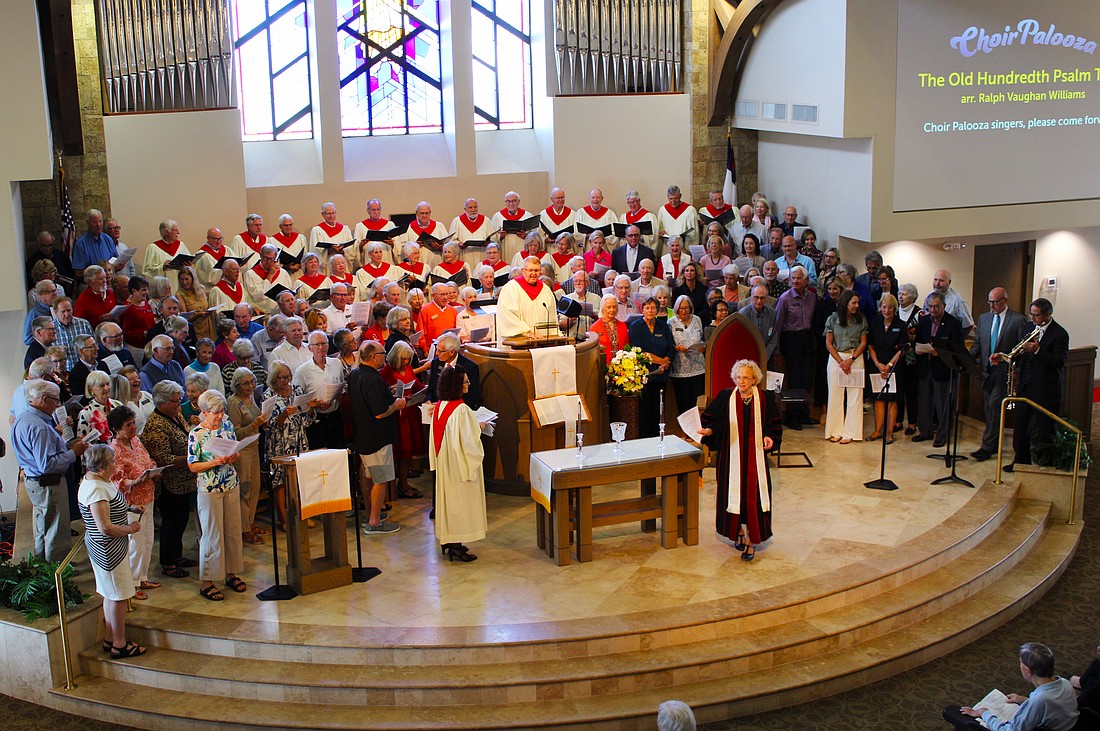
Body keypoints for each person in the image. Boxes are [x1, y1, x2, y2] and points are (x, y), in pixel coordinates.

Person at [699, 360, 781, 561]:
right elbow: (714, 422)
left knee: (756, 498)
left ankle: (752, 540)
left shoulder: (765, 398)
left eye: (745, 377)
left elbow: (773, 425)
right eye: (738, 377)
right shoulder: (726, 396)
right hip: (730, 458)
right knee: (731, 495)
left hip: (755, 459)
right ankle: (738, 532)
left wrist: (769, 437)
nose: (741, 381)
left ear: (754, 379)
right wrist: (709, 431)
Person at [78, 444, 146, 658]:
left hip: (111, 547)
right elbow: (105, 527)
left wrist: (129, 508)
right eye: (113, 463)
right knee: (118, 595)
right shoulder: (96, 490)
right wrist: (131, 528)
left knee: (111, 594)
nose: (116, 465)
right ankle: (119, 643)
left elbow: (111, 505)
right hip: (108, 550)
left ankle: (110, 638)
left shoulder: (98, 481)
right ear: (101, 467)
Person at [13, 379, 88, 561]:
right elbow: (47, 465)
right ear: (44, 399)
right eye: (56, 400)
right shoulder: (39, 427)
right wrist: (73, 453)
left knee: (43, 527)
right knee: (56, 530)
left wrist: (66, 446)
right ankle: (58, 571)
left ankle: (43, 567)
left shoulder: (24, 418)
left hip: (36, 482)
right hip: (49, 484)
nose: (58, 405)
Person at [187, 389, 246, 601]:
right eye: (215, 412)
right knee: (212, 534)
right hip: (210, 488)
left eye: (222, 411)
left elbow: (235, 450)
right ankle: (208, 581)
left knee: (232, 530)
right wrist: (213, 462)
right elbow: (192, 466)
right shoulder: (196, 434)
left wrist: (234, 455)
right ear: (204, 412)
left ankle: (231, 572)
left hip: (230, 483)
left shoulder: (227, 426)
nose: (220, 416)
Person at [942, 642, 1077, 731]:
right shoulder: (1065, 683)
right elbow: (1051, 706)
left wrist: (983, 713)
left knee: (953, 714)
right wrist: (1022, 700)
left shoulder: (1040, 700)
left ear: (1028, 671)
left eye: (1020, 663)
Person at [429, 365, 488, 562]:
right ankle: (455, 546)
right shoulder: (461, 410)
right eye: (465, 382)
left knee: (449, 502)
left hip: (446, 462)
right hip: (459, 465)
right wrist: (479, 427)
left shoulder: (440, 405)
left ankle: (449, 539)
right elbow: (468, 442)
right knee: (460, 503)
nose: (468, 384)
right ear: (456, 385)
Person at [348, 341, 406, 535]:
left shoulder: (355, 374)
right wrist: (396, 405)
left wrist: (386, 393)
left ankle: (370, 514)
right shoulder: (373, 379)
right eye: (383, 353)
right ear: (373, 357)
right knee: (380, 479)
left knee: (367, 476)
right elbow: (380, 413)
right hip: (377, 438)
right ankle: (374, 522)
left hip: (362, 436)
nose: (385, 357)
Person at [1005, 298, 1070, 472]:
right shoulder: (1029, 327)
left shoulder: (1059, 334)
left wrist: (1038, 351)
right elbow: (1021, 352)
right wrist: (1008, 356)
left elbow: (1059, 362)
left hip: (1045, 391)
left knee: (1044, 431)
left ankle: (1044, 467)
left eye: (1036, 315)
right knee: (1020, 429)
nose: (1032, 318)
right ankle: (1020, 462)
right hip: (1025, 388)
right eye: (1031, 314)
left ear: (1048, 315)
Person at [142, 380, 197, 579]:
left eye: (179, 400)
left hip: (183, 480)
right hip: (169, 483)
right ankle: (168, 562)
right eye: (174, 401)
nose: (178, 404)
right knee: (171, 522)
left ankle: (177, 555)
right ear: (160, 402)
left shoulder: (175, 415)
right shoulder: (156, 425)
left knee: (181, 519)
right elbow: (163, 459)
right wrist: (192, 458)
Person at [968, 287, 1029, 462]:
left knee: (995, 406)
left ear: (1005, 301)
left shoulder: (1017, 320)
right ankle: (993, 443)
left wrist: (1013, 368)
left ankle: (987, 446)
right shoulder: (984, 318)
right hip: (986, 372)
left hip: (1004, 372)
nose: (992, 306)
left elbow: (1021, 349)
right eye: (990, 302)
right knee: (989, 408)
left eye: (995, 302)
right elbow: (978, 345)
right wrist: (966, 357)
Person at [106, 406, 158, 600]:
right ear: (116, 429)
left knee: (148, 540)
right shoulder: (114, 450)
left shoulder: (136, 441)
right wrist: (134, 482)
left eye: (133, 423)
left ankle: (142, 577)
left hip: (148, 496)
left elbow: (148, 460)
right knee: (136, 543)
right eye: (128, 425)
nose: (133, 427)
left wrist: (153, 468)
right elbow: (114, 480)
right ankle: (132, 583)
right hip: (131, 502)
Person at [262, 362, 317, 531]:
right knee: (280, 481)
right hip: (278, 443)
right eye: (282, 378)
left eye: (288, 377)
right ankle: (284, 518)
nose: (286, 381)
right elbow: (268, 426)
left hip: (299, 440)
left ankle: (302, 514)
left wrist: (310, 409)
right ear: (274, 379)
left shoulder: (297, 391)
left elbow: (308, 420)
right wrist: (284, 414)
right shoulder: (268, 396)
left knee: (301, 478)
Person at [913, 291, 965, 448]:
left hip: (944, 369)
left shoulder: (953, 323)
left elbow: (958, 348)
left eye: (936, 307)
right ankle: (925, 431)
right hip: (925, 367)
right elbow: (918, 341)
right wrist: (918, 349)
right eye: (930, 307)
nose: (933, 310)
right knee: (924, 401)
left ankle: (942, 435)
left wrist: (940, 352)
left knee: (942, 404)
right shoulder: (924, 321)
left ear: (944, 306)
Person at [226, 368, 269, 545]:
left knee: (254, 487)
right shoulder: (233, 403)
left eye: (252, 382)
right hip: (242, 451)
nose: (251, 386)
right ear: (237, 385)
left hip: (254, 447)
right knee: (244, 490)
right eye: (246, 383)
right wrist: (254, 425)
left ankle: (250, 523)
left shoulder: (251, 398)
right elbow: (234, 433)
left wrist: (263, 423)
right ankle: (243, 529)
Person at [380, 341, 428, 499]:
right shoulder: (387, 371)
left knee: (408, 452)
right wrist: (392, 393)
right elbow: (381, 393)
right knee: (400, 450)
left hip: (410, 412)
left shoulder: (407, 368)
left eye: (409, 359)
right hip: (397, 416)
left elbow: (416, 384)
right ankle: (396, 486)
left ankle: (403, 482)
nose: (407, 362)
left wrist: (426, 390)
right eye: (404, 359)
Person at [774, 266, 817, 430]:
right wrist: (777, 350)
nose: (795, 281)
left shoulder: (812, 297)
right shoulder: (784, 298)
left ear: (806, 280)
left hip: (806, 338)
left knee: (806, 377)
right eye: (793, 278)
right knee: (794, 379)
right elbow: (777, 325)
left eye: (799, 278)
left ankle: (804, 413)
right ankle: (792, 416)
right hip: (790, 339)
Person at [823, 289, 868, 444]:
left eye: (857, 302)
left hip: (855, 358)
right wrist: (841, 361)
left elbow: (863, 342)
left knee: (855, 396)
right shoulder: (832, 319)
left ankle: (851, 433)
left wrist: (851, 359)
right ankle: (835, 431)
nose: (857, 305)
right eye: (853, 303)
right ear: (845, 303)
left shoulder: (861, 319)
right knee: (835, 396)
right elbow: (829, 343)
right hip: (837, 359)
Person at [628, 298, 674, 437]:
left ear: (657, 310)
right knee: (645, 411)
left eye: (653, 308)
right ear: (642, 310)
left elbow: (671, 348)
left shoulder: (663, 326)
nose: (650, 310)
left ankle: (658, 437)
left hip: (662, 376)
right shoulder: (636, 326)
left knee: (659, 410)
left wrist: (667, 361)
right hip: (645, 376)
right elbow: (639, 352)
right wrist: (662, 362)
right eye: (647, 308)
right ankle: (645, 439)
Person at [294, 329, 345, 449]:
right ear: (310, 348)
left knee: (338, 450)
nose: (320, 348)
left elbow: (342, 387)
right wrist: (315, 404)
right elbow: (298, 399)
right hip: (315, 419)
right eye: (316, 344)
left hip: (335, 415)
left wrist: (338, 397)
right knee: (319, 451)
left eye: (323, 343)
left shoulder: (336, 363)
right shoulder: (302, 371)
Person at [867, 293, 906, 442]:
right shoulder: (875, 323)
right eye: (884, 307)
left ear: (895, 309)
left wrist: (889, 365)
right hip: (877, 367)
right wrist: (877, 364)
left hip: (894, 368)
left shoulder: (900, 325)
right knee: (878, 399)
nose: (887, 310)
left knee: (891, 400)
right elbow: (870, 346)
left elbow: (902, 349)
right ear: (880, 307)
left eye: (890, 307)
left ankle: (889, 433)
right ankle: (878, 431)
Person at [496, 256, 560, 338]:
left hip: (542, 339)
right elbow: (507, 315)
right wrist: (527, 332)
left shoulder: (545, 290)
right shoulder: (511, 288)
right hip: (519, 340)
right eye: (530, 270)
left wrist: (555, 334)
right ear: (523, 271)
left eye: (536, 270)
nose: (533, 274)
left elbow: (552, 316)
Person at [669, 295, 705, 413]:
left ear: (690, 308)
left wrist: (702, 346)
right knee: (683, 403)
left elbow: (701, 338)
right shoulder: (671, 322)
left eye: (686, 308)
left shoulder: (697, 320)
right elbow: (668, 344)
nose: (683, 311)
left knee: (697, 402)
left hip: (698, 367)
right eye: (681, 308)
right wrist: (677, 347)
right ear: (676, 309)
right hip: (680, 369)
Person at [897, 283, 921, 435]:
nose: (900, 296)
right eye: (899, 293)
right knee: (898, 390)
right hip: (897, 358)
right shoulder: (894, 312)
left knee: (911, 392)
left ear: (912, 297)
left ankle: (912, 423)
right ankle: (898, 421)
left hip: (912, 359)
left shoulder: (920, 314)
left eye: (904, 294)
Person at [739, 284, 779, 365]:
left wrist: (764, 357)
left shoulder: (772, 313)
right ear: (751, 297)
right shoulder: (743, 314)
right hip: (747, 358)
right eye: (756, 297)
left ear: (766, 298)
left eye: (762, 298)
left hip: (767, 358)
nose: (759, 301)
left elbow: (773, 339)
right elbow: (741, 339)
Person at [928, 268, 975, 335]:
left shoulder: (958, 300)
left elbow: (968, 325)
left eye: (941, 281)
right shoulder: (929, 297)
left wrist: (957, 338)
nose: (937, 283)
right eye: (935, 280)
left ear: (949, 282)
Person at [309, 201, 355, 270]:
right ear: (322, 214)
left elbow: (351, 250)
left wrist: (342, 251)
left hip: (342, 266)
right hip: (326, 268)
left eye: (333, 213)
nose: (331, 216)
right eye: (328, 213)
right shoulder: (317, 230)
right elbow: (315, 251)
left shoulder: (345, 229)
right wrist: (329, 251)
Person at [176, 265, 213, 341]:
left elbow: (205, 307)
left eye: (187, 279)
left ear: (193, 279)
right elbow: (184, 318)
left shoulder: (202, 288)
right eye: (182, 279)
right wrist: (198, 315)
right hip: (195, 331)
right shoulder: (179, 294)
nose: (184, 282)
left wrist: (211, 308)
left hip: (208, 329)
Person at [116, 367, 154, 434]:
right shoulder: (121, 404)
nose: (136, 380)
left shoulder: (147, 395)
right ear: (123, 383)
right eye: (131, 379)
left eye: (137, 378)